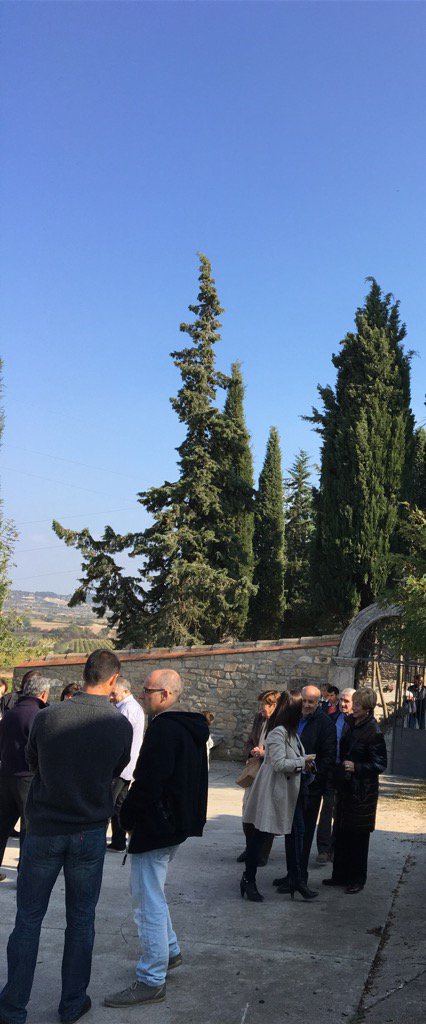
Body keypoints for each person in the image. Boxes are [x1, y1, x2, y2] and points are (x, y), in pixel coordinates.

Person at [0, 649, 132, 1024]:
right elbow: (117, 769)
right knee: (81, 919)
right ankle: (72, 1003)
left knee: (28, 918)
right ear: (112, 680)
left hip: (43, 828)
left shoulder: (48, 716)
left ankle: (12, 1008)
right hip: (87, 832)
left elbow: (32, 761)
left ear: (84, 672)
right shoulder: (119, 724)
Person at [104, 668, 209, 1010]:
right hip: (174, 826)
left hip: (157, 827)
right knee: (154, 892)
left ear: (165, 695)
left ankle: (151, 979)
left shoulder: (166, 729)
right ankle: (171, 951)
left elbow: (149, 783)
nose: (143, 695)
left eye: (148, 691)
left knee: (146, 902)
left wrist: (127, 817)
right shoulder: (188, 725)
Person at [240, 693, 317, 902]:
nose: (303, 712)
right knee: (261, 836)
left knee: (294, 837)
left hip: (291, 794)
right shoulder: (278, 733)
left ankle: (297, 880)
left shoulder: (291, 733)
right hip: (274, 793)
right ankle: (249, 879)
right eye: (300, 708)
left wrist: (306, 762)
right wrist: (302, 762)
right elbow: (279, 764)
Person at [323, 686, 387, 894]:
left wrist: (357, 767)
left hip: (362, 793)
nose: (354, 707)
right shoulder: (351, 724)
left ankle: (357, 879)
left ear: (367, 708)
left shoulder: (373, 732)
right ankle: (339, 875)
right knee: (341, 832)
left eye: (358, 704)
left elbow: (380, 764)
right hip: (346, 788)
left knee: (358, 837)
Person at [273, 684, 336, 892]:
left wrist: (311, 771)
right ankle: (291, 874)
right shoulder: (292, 719)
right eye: (304, 701)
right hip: (290, 783)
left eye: (311, 702)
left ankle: (300, 878)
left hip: (310, 788)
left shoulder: (325, 724)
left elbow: (328, 757)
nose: (306, 705)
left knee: (305, 833)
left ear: (319, 703)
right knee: (290, 831)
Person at [0, 671, 50, 878]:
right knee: (29, 827)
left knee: (2, 824)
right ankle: (25, 872)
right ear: (43, 693)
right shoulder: (40, 715)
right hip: (27, 777)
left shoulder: (10, 712)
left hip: (5, 774)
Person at [236, 690, 280, 866]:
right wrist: (252, 751)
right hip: (254, 770)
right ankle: (250, 848)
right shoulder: (259, 718)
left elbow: (281, 750)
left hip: (269, 772)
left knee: (264, 813)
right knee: (248, 810)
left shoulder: (279, 725)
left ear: (275, 706)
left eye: (266, 704)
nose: (262, 707)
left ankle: (262, 853)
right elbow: (250, 740)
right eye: (261, 703)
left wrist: (265, 752)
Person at [316, 688, 355, 863]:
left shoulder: (359, 724)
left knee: (342, 812)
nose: (343, 704)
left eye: (347, 701)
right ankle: (324, 849)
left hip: (349, 774)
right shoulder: (332, 719)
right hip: (331, 770)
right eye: (341, 700)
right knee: (327, 809)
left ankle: (337, 847)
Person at [107, 676, 145, 852]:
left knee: (108, 804)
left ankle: (110, 841)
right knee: (118, 806)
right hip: (127, 766)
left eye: (114, 694)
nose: (111, 697)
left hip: (121, 767)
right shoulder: (128, 707)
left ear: (125, 691)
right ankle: (118, 841)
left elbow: (119, 740)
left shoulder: (128, 709)